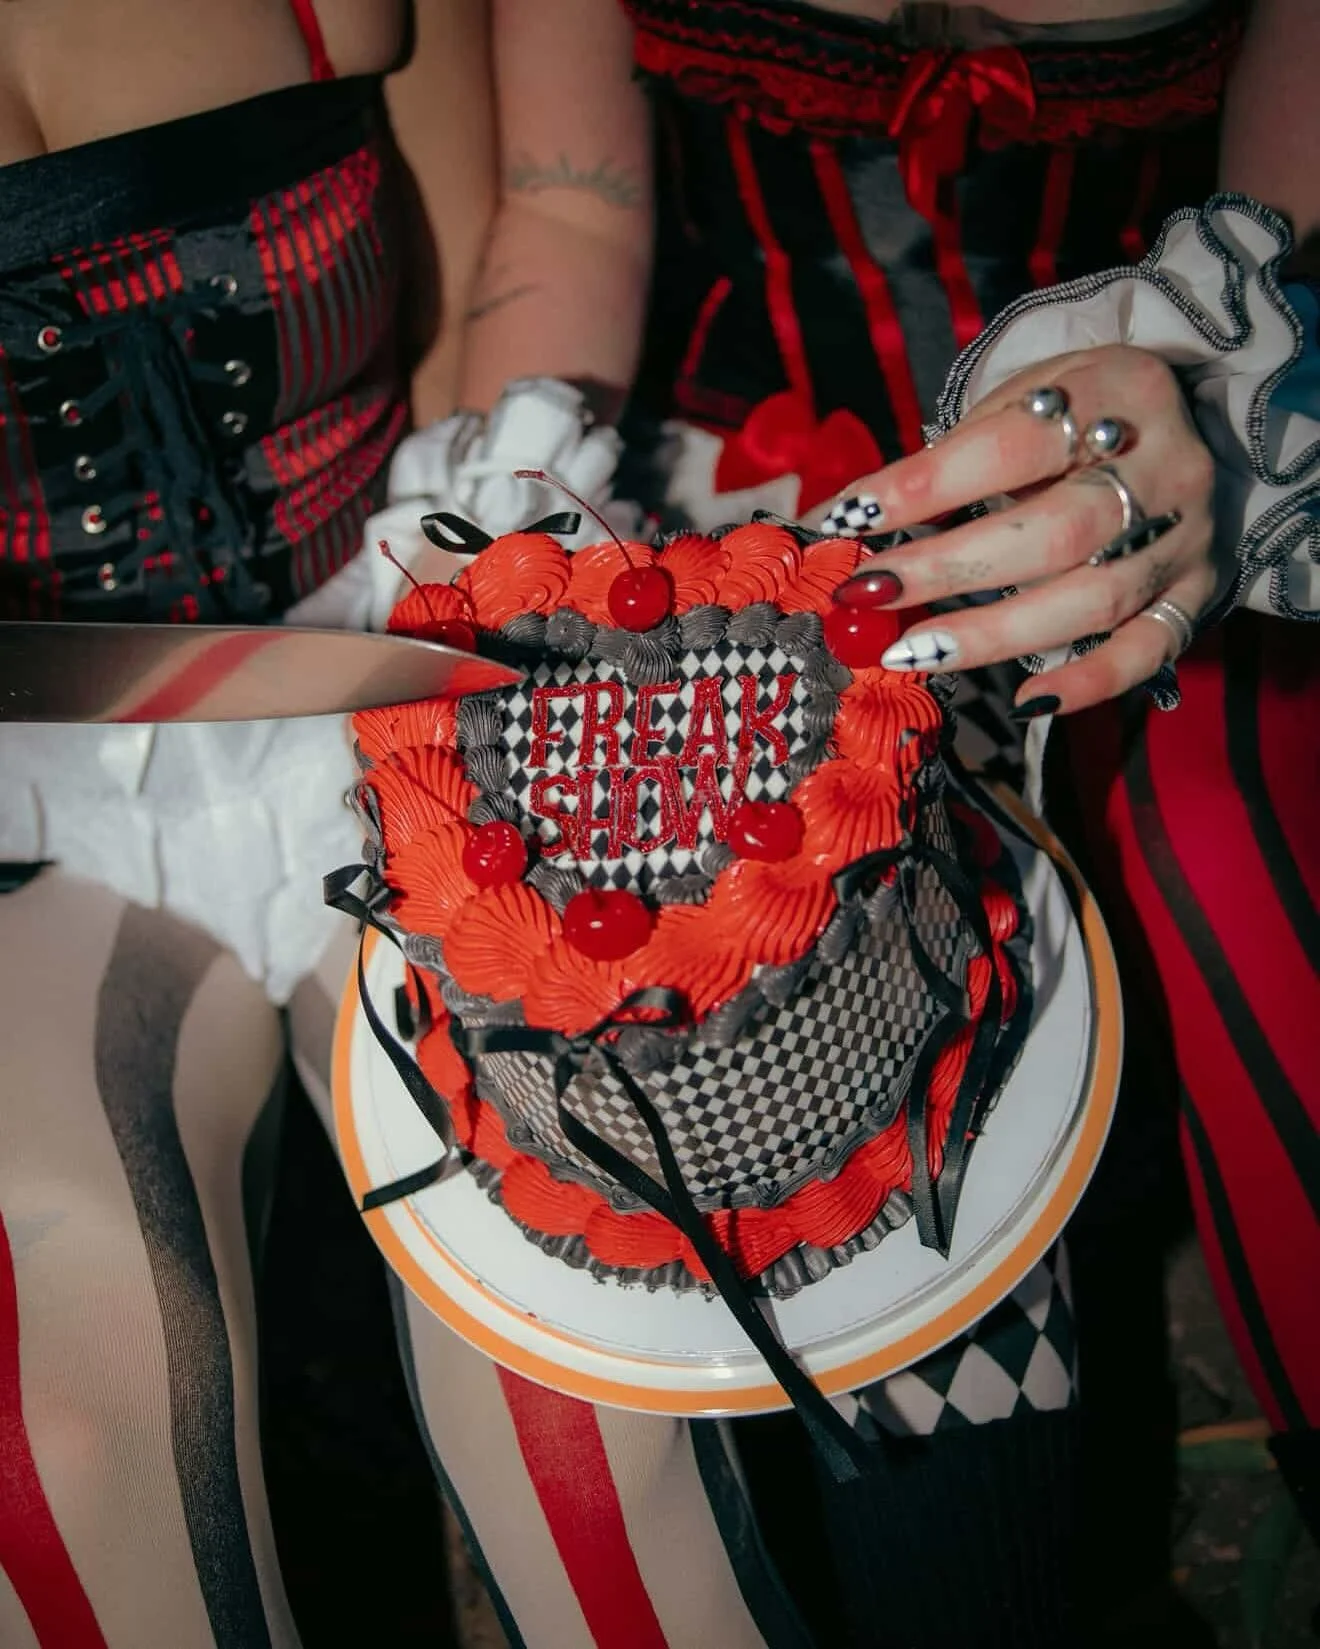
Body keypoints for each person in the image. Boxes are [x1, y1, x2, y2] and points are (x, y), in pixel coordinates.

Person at [334, 0, 1315, 1644]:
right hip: (724, 502)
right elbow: (578, 204)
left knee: (1076, 1050)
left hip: (1130, 500)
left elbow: (1289, 248)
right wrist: (509, 536)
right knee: (793, 1083)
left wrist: (1225, 403)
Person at [0, 3, 498, 1645]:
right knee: (66, 1422)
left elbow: (504, 268)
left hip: (393, 651)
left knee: (593, 1359)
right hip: (22, 797)